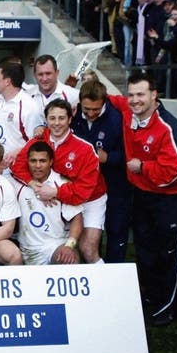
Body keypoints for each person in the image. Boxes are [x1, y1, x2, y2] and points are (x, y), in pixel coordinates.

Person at [108, 73, 177, 326]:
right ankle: (150, 297)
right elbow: (112, 100)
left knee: (167, 253)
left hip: (169, 199)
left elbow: (176, 170)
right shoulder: (128, 110)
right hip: (141, 196)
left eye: (140, 94)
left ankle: (166, 307)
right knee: (145, 251)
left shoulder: (169, 127)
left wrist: (142, 167)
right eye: (131, 94)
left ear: (154, 94)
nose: (134, 100)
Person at [11, 98, 107, 264]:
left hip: (90, 199)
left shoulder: (85, 149)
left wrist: (55, 192)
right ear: (46, 120)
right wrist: (34, 185)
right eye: (52, 118)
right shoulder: (38, 141)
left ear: (70, 119)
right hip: (60, 198)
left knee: (88, 250)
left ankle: (105, 287)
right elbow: (18, 166)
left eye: (61, 118)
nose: (57, 123)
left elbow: (83, 191)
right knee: (65, 248)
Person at [71, 80, 131, 263]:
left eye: (95, 109)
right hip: (85, 188)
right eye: (86, 109)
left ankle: (114, 275)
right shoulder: (73, 115)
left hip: (115, 186)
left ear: (104, 102)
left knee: (116, 231)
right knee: (83, 235)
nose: (90, 114)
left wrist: (108, 158)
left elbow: (129, 156)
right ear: (80, 102)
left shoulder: (116, 119)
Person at [11, 141, 83, 265]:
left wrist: (69, 246)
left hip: (54, 246)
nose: (37, 165)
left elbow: (77, 218)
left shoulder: (62, 184)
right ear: (27, 161)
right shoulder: (17, 182)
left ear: (51, 162)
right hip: (26, 250)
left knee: (71, 260)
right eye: (33, 161)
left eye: (42, 161)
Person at [0, 59, 43, 171]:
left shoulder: (29, 106)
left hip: (20, 170)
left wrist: (17, 152)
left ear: (7, 81)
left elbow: (36, 143)